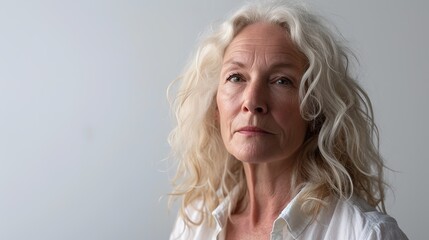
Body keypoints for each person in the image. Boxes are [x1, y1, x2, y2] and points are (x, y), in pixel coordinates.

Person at [168, 1, 408, 239]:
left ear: (316, 110)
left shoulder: (367, 234)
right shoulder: (194, 223)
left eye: (281, 80)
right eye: (236, 77)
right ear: (215, 106)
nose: (252, 101)